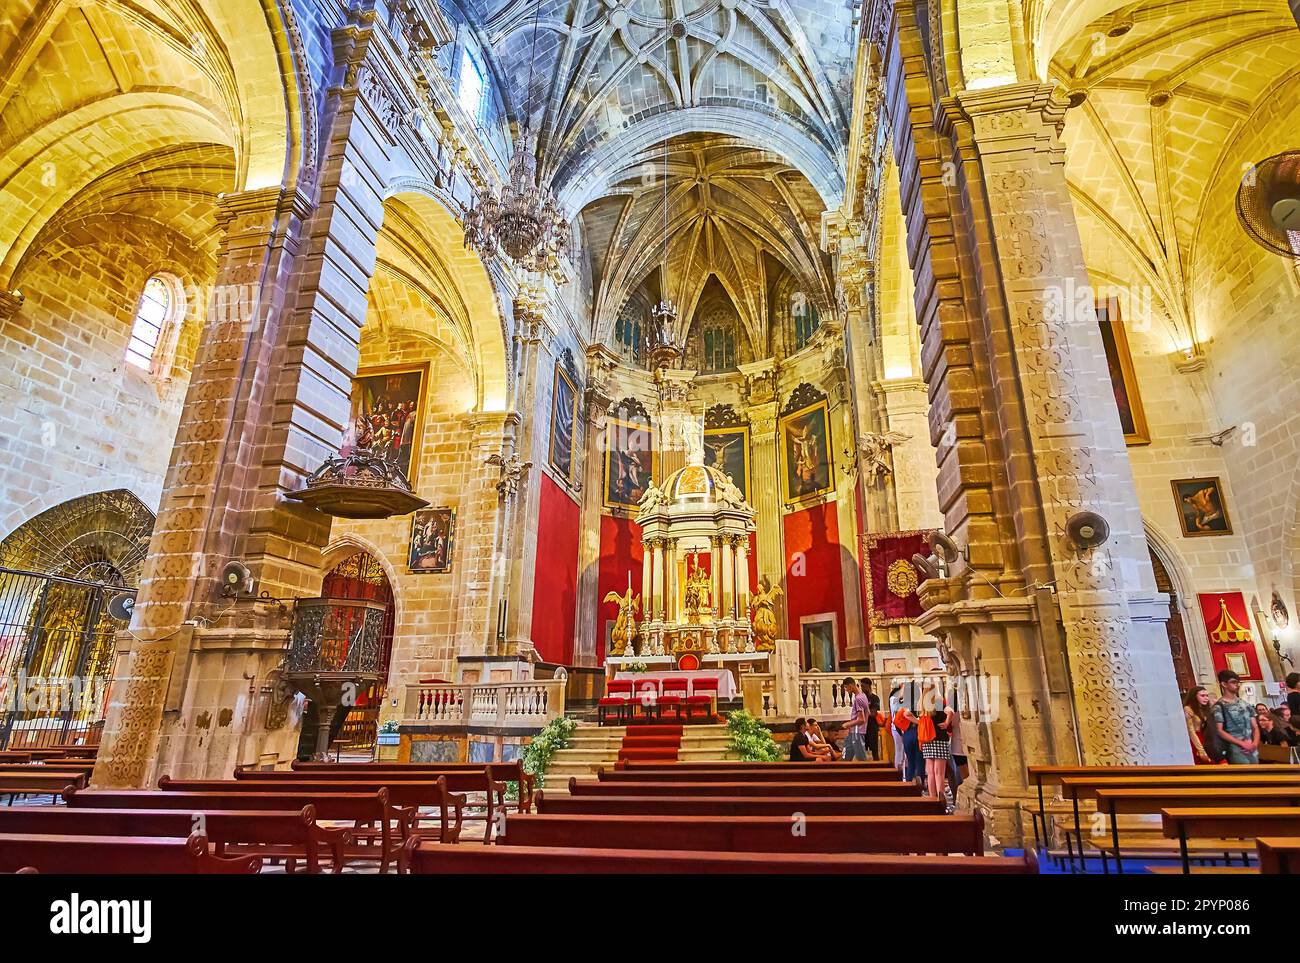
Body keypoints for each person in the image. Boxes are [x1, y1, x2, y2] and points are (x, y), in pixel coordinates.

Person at [1213, 669, 1260, 765]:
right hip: (1234, 748)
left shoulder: (1246, 704)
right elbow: (1219, 730)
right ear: (1224, 684)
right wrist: (1242, 744)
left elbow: (1255, 727)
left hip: (1251, 746)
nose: (1237, 685)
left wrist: (1254, 743)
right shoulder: (1219, 706)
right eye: (1233, 682)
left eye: (1237, 682)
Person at [920, 706, 952, 804]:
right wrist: (947, 723)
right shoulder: (939, 703)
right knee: (939, 774)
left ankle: (932, 800)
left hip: (927, 739)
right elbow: (950, 711)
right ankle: (941, 801)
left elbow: (910, 715)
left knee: (930, 774)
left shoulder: (922, 705)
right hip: (940, 739)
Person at [839, 677, 872, 761]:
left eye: (846, 687)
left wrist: (847, 724)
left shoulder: (858, 699)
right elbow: (868, 712)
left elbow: (861, 719)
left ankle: (866, 773)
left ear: (851, 685)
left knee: (861, 757)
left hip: (857, 732)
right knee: (846, 755)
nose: (846, 690)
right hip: (853, 732)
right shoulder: (862, 696)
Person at [1182, 685, 1216, 764]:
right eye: (1202, 696)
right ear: (1194, 696)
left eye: (1207, 696)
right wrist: (1200, 750)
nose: (1206, 698)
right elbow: (1191, 731)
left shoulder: (1205, 708)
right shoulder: (1188, 709)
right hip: (1195, 739)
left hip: (1206, 738)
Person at [887, 684, 904, 772]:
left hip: (896, 727)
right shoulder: (894, 699)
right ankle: (899, 770)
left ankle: (899, 769)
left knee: (899, 751)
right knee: (900, 751)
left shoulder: (893, 699)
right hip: (897, 727)